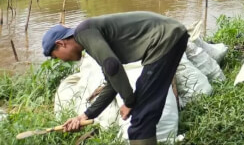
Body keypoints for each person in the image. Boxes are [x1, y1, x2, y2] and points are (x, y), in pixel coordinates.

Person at [42, 12, 189, 145]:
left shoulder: (84, 32)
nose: (62, 61)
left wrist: (129, 101)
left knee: (140, 119)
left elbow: (112, 66)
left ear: (60, 43)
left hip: (164, 40)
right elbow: (112, 84)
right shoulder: (90, 37)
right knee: (145, 114)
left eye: (56, 57)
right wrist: (84, 116)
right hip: (171, 36)